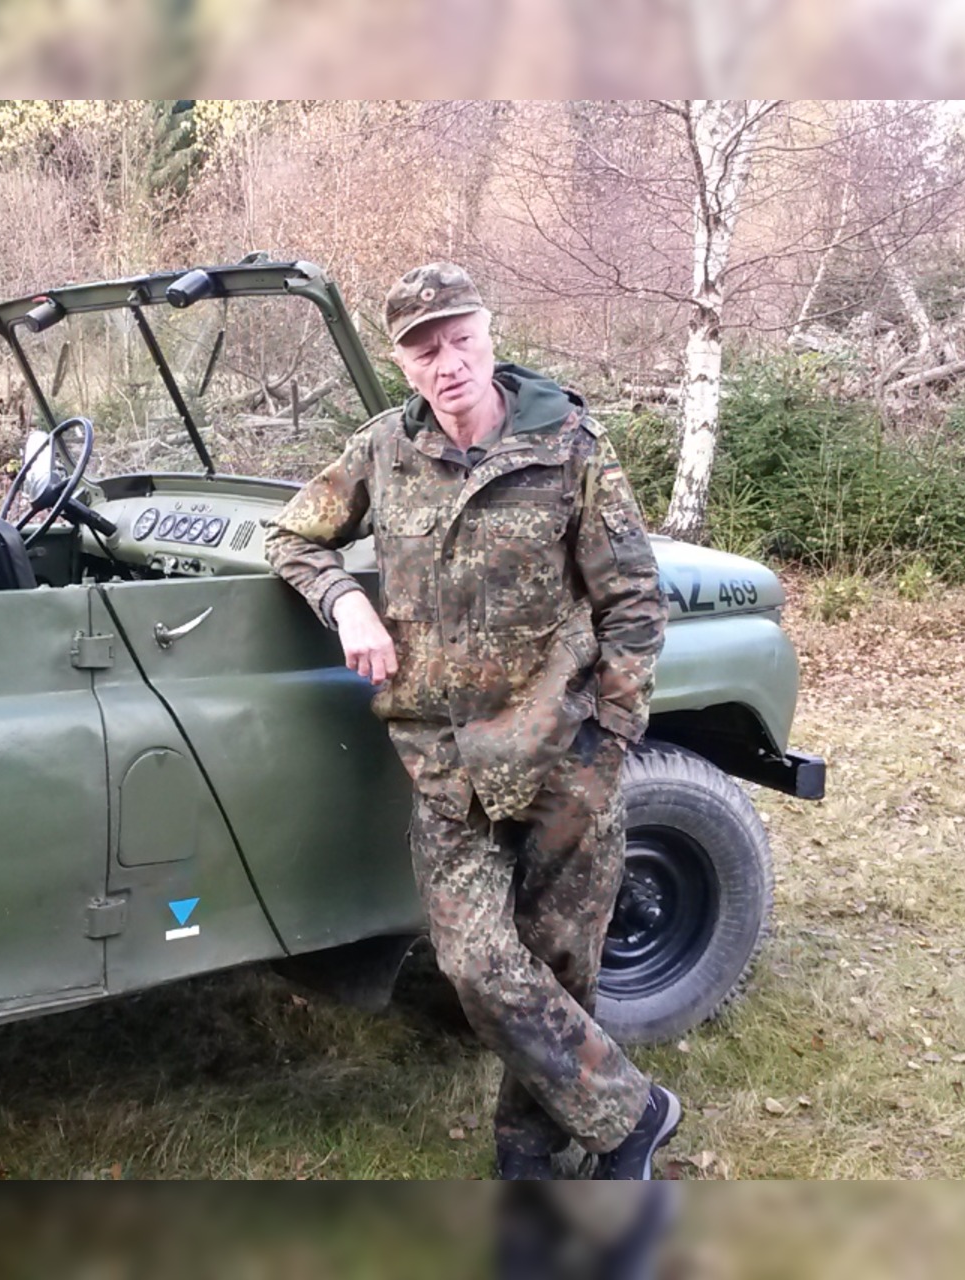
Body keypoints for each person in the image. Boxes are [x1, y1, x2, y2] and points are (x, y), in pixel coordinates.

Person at [263, 262, 675, 1179]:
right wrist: (345, 601)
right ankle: (633, 1116)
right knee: (476, 963)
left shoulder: (570, 447)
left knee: (561, 957)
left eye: (459, 340)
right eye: (424, 350)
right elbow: (291, 535)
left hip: (562, 745)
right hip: (447, 757)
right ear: (402, 362)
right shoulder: (382, 450)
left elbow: (634, 600)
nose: (446, 364)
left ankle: (530, 1144)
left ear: (488, 334)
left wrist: (613, 737)